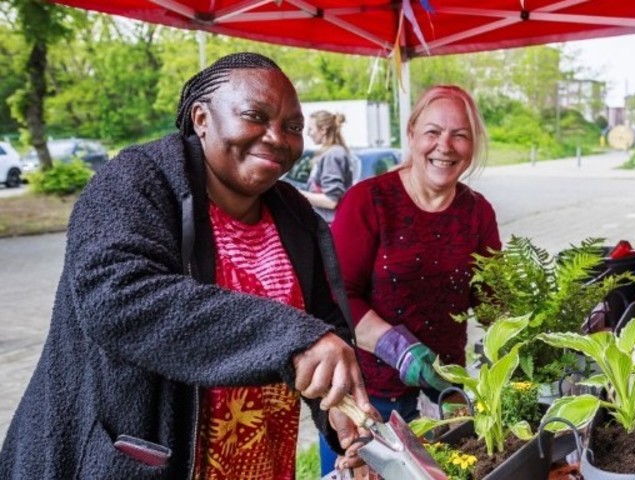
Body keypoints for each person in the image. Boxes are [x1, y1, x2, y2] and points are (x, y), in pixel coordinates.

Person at [0, 52, 373, 479]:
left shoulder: (295, 215)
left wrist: (341, 415)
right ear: (201, 118)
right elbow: (117, 299)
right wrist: (295, 338)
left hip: (260, 459)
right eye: (255, 115)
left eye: (292, 127)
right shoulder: (137, 180)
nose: (276, 137)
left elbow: (325, 327)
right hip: (136, 461)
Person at [332, 84, 501, 422]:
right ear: (411, 134)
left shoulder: (477, 212)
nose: (445, 146)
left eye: (460, 135)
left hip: (446, 392)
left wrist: (539, 324)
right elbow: (337, 297)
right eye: (433, 132)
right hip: (369, 397)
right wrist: (398, 350)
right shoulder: (368, 201)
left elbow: (491, 303)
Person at [301, 110, 354, 223]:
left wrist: (297, 194)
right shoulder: (331, 153)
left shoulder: (332, 154)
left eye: (310, 129)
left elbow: (331, 201)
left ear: (323, 130)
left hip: (330, 228)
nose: (308, 134)